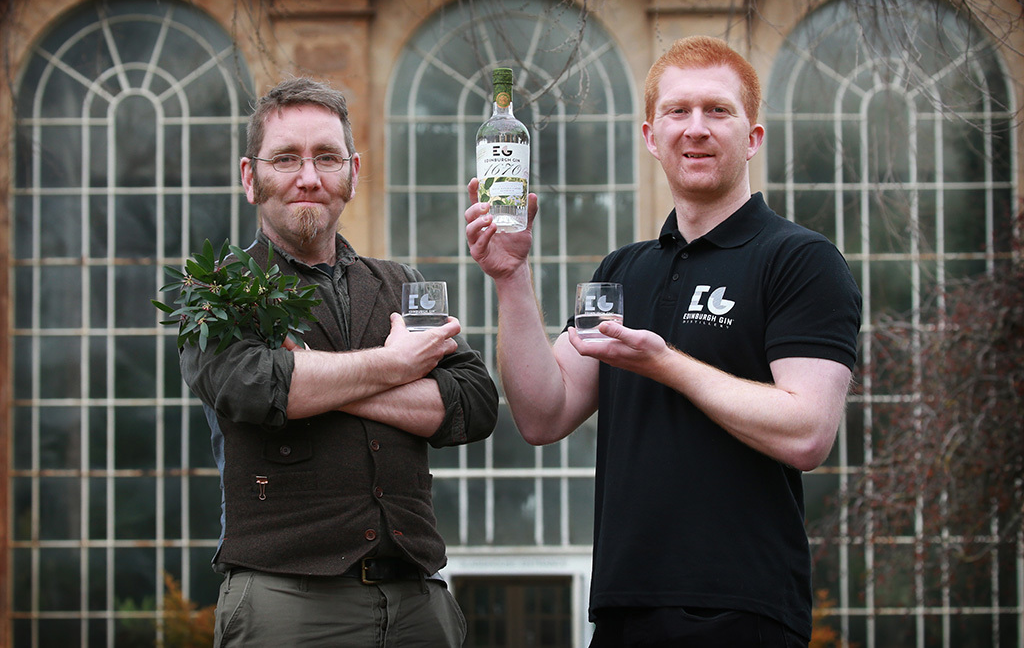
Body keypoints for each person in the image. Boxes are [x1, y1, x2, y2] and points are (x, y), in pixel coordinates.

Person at [465, 36, 861, 647]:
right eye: (678, 112)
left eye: (717, 111)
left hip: (740, 610)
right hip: (624, 608)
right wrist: (511, 277)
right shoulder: (623, 270)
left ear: (752, 137)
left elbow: (807, 431)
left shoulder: (801, 260)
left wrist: (666, 364)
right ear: (652, 136)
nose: (695, 129)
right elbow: (544, 414)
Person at [181, 77, 498, 647]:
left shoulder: (402, 285)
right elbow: (257, 387)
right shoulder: (215, 290)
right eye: (286, 159)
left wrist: (320, 377)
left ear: (352, 172)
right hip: (286, 604)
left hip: (418, 604)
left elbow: (474, 403)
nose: (309, 177)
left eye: (326, 158)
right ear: (251, 178)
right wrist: (400, 363)